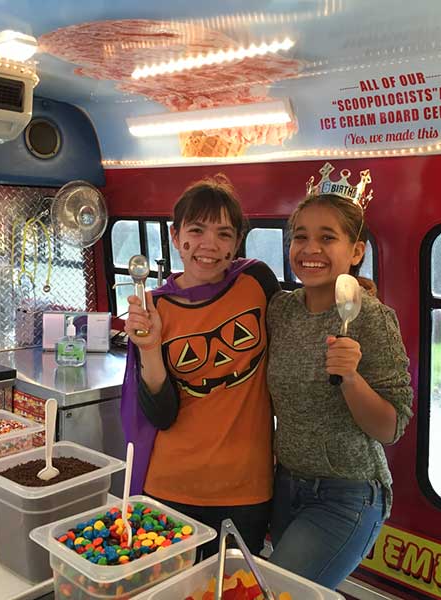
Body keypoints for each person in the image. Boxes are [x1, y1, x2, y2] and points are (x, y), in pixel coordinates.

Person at [266, 163, 414, 589]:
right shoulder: (282, 310)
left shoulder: (372, 319)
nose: (310, 248)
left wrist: (351, 378)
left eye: (327, 237)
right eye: (301, 236)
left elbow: (390, 428)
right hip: (284, 485)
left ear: (356, 251)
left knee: (279, 593)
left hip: (345, 495)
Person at [121, 175, 280, 557]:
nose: (210, 245)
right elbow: (160, 415)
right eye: (197, 230)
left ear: (237, 242)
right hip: (170, 487)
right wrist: (150, 347)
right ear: (177, 237)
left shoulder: (257, 282)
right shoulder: (153, 309)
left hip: (247, 489)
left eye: (224, 234)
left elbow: (302, 322)